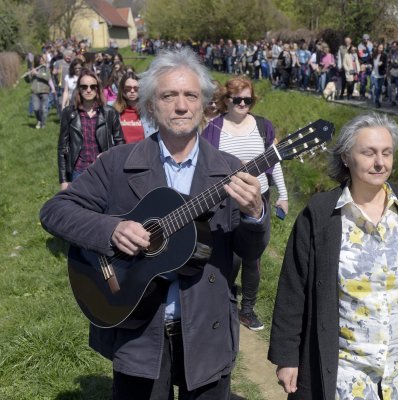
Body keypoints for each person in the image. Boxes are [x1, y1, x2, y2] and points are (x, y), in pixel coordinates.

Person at [40, 48, 269, 399]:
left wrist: (255, 215)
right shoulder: (118, 163)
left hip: (207, 330)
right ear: (150, 105)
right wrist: (110, 231)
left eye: (191, 95)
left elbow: (249, 250)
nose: (181, 106)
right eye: (169, 96)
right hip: (138, 327)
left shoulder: (230, 168)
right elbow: (55, 211)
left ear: (205, 104)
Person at [268, 112, 398, 399]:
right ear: (346, 157)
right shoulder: (321, 214)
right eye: (369, 153)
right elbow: (294, 288)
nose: (380, 162)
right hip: (345, 374)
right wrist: (288, 356)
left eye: (386, 153)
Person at [202, 76, 288, 332]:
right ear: (226, 100)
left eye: (247, 100)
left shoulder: (263, 127)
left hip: (257, 200)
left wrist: (283, 195)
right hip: (225, 203)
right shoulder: (213, 129)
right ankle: (224, 298)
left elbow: (275, 163)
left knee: (253, 257)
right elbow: (207, 169)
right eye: (237, 99)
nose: (242, 104)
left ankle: (247, 309)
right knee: (231, 256)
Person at [57, 68, 124, 190]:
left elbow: (120, 143)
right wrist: (64, 180)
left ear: (98, 89)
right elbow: (62, 148)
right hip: (79, 172)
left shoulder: (109, 113)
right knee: (80, 208)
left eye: (93, 87)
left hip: (104, 171)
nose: (89, 90)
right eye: (84, 87)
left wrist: (108, 155)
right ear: (79, 89)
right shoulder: (69, 113)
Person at [113, 71, 152, 143]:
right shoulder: (113, 111)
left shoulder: (148, 111)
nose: (132, 91)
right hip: (122, 152)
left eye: (136, 88)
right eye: (128, 88)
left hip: (142, 152)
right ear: (122, 89)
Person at [28, 54, 54, 129]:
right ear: (37, 61)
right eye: (40, 60)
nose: (41, 61)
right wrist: (29, 74)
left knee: (44, 108)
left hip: (44, 91)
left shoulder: (46, 68)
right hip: (35, 91)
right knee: (36, 108)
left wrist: (37, 73)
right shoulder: (33, 68)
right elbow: (28, 80)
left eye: (42, 60)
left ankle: (43, 123)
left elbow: (48, 77)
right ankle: (39, 120)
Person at [371, 43, 387, 108]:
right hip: (374, 74)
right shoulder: (374, 54)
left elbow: (385, 65)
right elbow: (371, 62)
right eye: (379, 47)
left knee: (379, 89)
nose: (380, 48)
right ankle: (377, 101)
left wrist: (382, 64)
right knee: (377, 88)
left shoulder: (384, 55)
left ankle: (377, 100)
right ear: (377, 47)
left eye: (382, 48)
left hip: (381, 74)